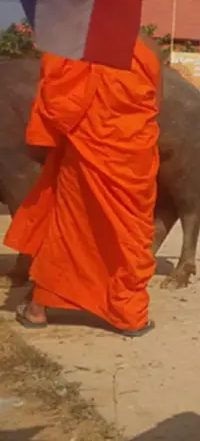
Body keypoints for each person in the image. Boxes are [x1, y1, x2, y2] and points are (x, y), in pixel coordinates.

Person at [6, 36, 161, 337]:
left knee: (70, 228)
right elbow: (156, 108)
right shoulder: (148, 49)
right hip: (134, 157)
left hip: (86, 150)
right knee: (128, 234)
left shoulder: (76, 45)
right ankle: (129, 313)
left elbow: (56, 103)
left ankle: (38, 309)